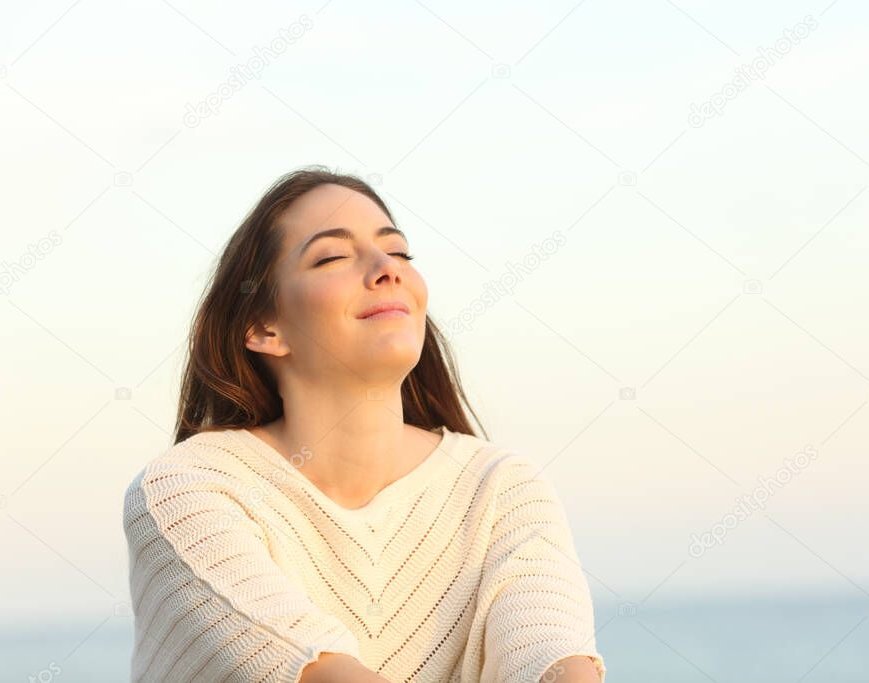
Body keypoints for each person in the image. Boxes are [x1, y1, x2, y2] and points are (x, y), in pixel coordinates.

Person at [122, 166, 607, 682]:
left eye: (398, 252)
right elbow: (315, 671)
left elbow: (556, 662)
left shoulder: (502, 488)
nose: (386, 269)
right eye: (332, 256)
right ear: (263, 327)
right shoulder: (188, 490)